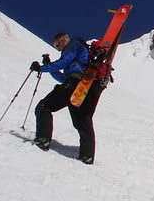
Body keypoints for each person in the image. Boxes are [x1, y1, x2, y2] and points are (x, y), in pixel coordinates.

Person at [30, 33, 101, 164]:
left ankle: (43, 140)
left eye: (57, 45)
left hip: (73, 84)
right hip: (85, 87)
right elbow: (62, 77)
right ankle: (87, 156)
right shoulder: (81, 54)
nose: (58, 49)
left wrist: (42, 67)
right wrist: (49, 66)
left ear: (63, 40)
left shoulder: (73, 45)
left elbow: (64, 62)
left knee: (44, 107)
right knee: (82, 120)